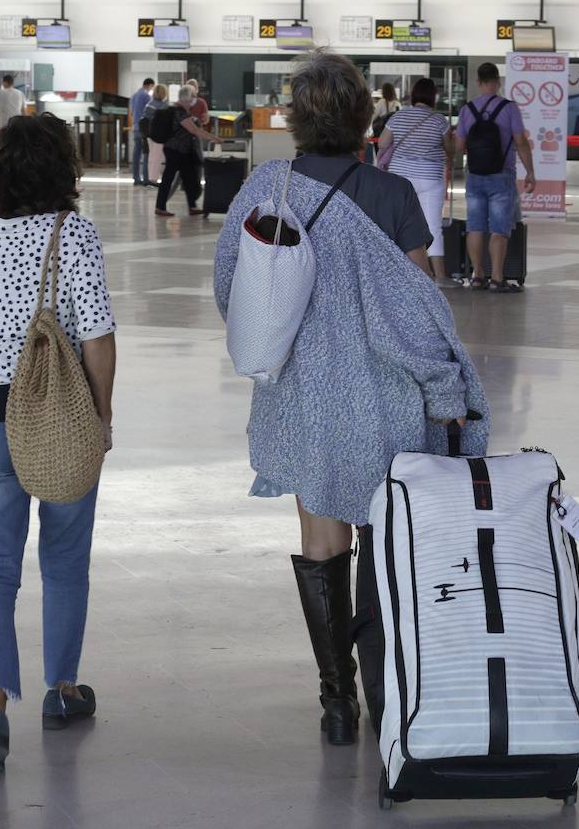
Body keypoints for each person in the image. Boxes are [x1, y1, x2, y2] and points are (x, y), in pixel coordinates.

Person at [212, 49, 488, 748]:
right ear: (367, 120)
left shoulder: (264, 189)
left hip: (303, 397)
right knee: (387, 537)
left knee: (322, 539)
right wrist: (449, 391)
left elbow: (231, 290)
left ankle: (337, 705)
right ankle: (387, 688)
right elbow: (419, 311)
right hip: (388, 400)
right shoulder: (391, 197)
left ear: (295, 121)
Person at [0, 112, 117, 773]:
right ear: (63, 167)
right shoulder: (71, 232)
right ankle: (64, 689)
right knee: (65, 559)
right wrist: (102, 417)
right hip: (59, 409)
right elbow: (98, 336)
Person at [454, 62, 535, 293]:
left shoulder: (467, 110)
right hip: (502, 175)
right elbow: (520, 142)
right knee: (499, 228)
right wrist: (530, 171)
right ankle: (497, 279)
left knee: (475, 226)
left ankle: (477, 275)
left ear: (478, 82)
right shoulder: (509, 108)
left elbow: (459, 146)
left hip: (475, 175)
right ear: (498, 82)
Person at [378, 77, 454, 282]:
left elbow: (384, 142)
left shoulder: (399, 116)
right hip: (430, 177)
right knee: (432, 226)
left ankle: (394, 273)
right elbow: (450, 149)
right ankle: (439, 275)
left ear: (413, 96)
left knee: (396, 224)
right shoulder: (439, 121)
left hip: (399, 178)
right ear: (433, 97)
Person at [153, 84, 222, 218]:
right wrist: (214, 138)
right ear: (187, 98)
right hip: (175, 150)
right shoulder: (179, 112)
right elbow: (194, 130)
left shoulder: (181, 111)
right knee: (168, 178)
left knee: (189, 178)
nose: (193, 102)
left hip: (183, 151)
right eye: (192, 98)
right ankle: (160, 207)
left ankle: (192, 206)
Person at [129, 77, 156, 186]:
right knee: (146, 153)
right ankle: (146, 179)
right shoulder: (146, 96)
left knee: (136, 154)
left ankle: (136, 178)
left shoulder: (134, 96)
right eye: (152, 87)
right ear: (149, 85)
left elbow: (131, 112)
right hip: (144, 128)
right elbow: (149, 113)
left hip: (135, 127)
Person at [145, 83, 169, 187]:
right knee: (158, 157)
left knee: (152, 157)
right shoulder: (164, 106)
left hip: (149, 134)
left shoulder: (149, 104)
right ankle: (153, 179)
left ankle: (151, 178)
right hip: (159, 135)